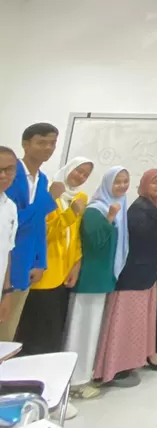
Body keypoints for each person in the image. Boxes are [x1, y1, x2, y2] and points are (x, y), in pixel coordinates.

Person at [95, 168, 157, 386]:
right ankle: (115, 366)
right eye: (154, 183)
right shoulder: (140, 208)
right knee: (126, 320)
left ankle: (132, 360)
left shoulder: (151, 206)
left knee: (140, 319)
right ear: (144, 184)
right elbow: (147, 233)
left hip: (146, 271)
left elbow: (153, 240)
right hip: (133, 274)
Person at [16, 158, 93, 356]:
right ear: (69, 169)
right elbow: (43, 232)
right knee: (35, 331)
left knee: (53, 332)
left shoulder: (80, 197)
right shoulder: (50, 193)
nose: (81, 177)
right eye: (78, 171)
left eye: (85, 175)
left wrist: (76, 265)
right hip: (43, 271)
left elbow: (76, 237)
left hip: (64, 274)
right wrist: (71, 214)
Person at [65, 166, 129, 398]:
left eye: (125, 181)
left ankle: (84, 376)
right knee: (81, 329)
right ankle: (74, 381)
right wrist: (109, 218)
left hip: (102, 277)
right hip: (90, 278)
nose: (122, 186)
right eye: (117, 182)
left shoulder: (118, 208)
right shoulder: (95, 209)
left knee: (92, 331)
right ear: (107, 184)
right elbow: (94, 243)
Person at [2, 123, 62, 341]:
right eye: (41, 142)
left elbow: (38, 225)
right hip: (7, 260)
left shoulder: (42, 179)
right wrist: (49, 199)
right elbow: (16, 221)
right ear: (25, 144)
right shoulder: (10, 174)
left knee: (7, 332)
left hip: (25, 264)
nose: (48, 148)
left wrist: (40, 261)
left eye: (52, 143)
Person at [0, 148, 17, 333]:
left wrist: (7, 291)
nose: (3, 175)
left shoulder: (10, 207)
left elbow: (7, 251)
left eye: (9, 169)